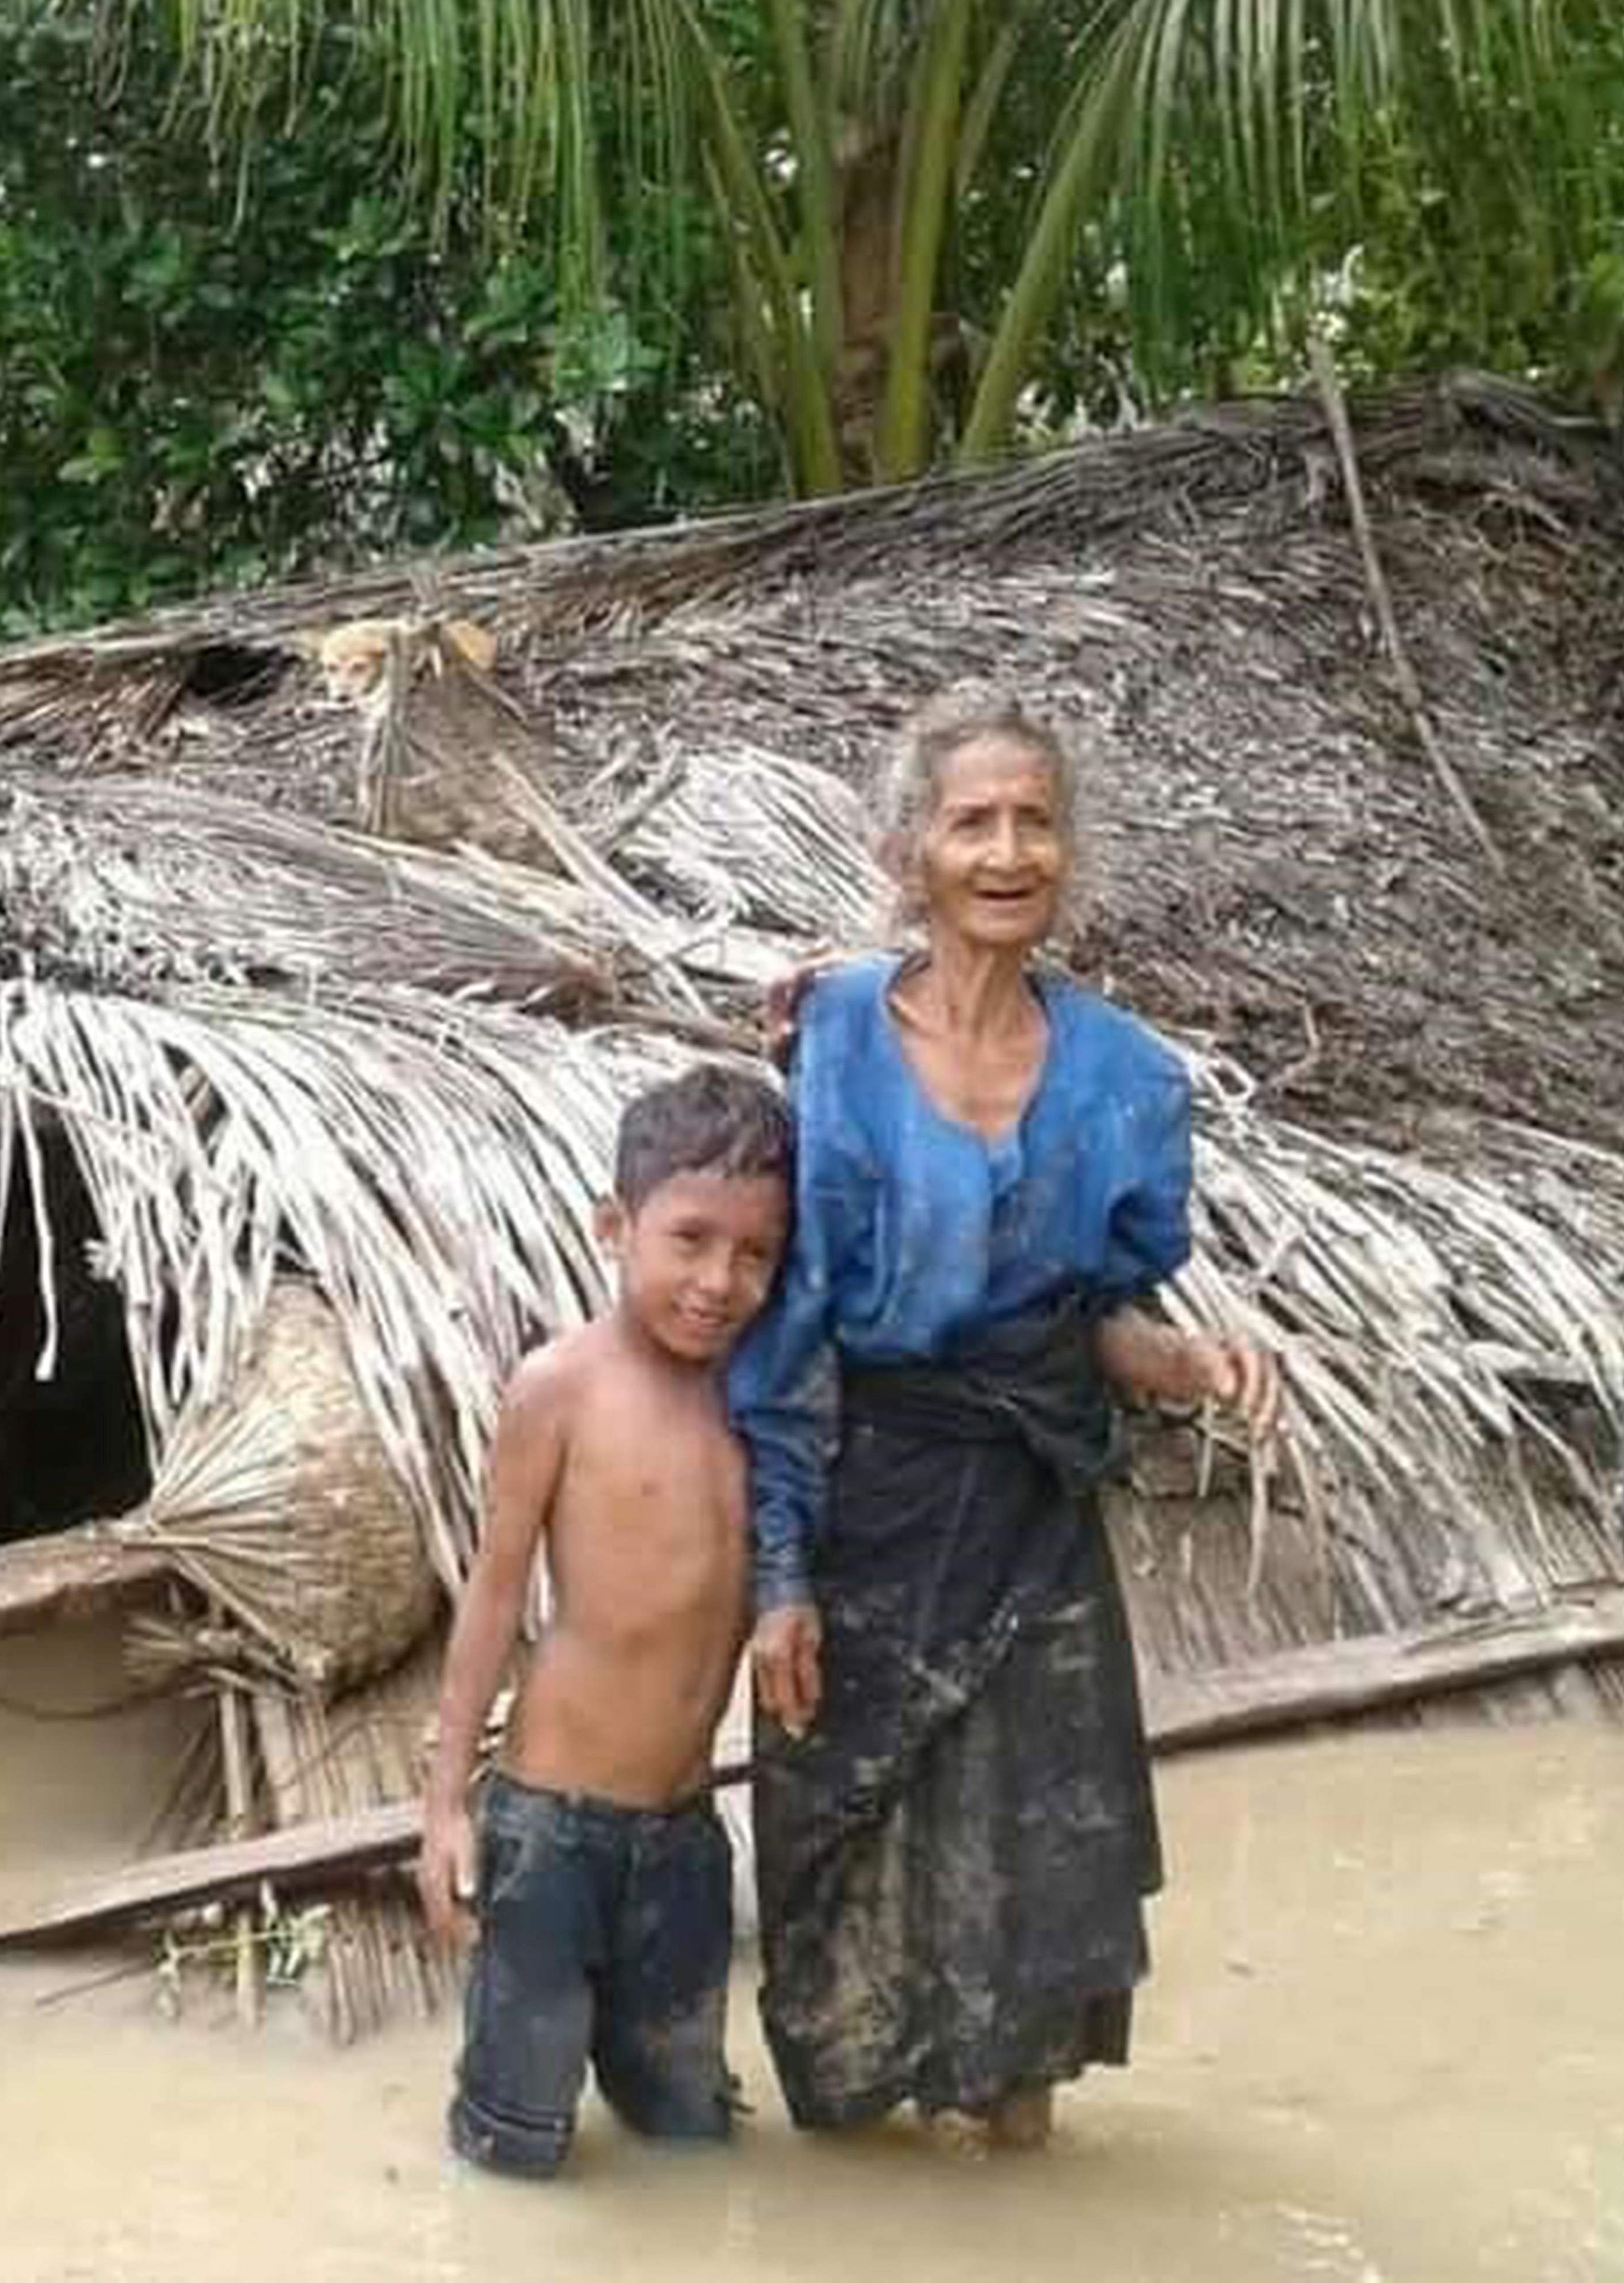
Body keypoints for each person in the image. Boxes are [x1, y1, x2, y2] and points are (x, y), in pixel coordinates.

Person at [727, 687, 1281, 2152]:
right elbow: (791, 1335)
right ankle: (866, 2181)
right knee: (837, 1877)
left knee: (1041, 1874)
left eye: (1036, 820)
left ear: (1070, 851)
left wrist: (1191, 1361)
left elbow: (1091, 1323)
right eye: (972, 820)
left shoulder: (1127, 1080)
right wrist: (778, 1574)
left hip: (1034, 1517)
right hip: (867, 1507)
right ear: (911, 848)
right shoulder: (833, 1036)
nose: (1007, 850)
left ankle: (1018, 2183)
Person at [416, 1064, 797, 2178]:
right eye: (690, 1240)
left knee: (688, 2135)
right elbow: (495, 1595)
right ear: (614, 1228)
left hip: (685, 1837)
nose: (719, 1280)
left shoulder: (769, 1397)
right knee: (514, 2147)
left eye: (756, 1253)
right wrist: (445, 1807)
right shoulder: (562, 1387)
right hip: (552, 1833)